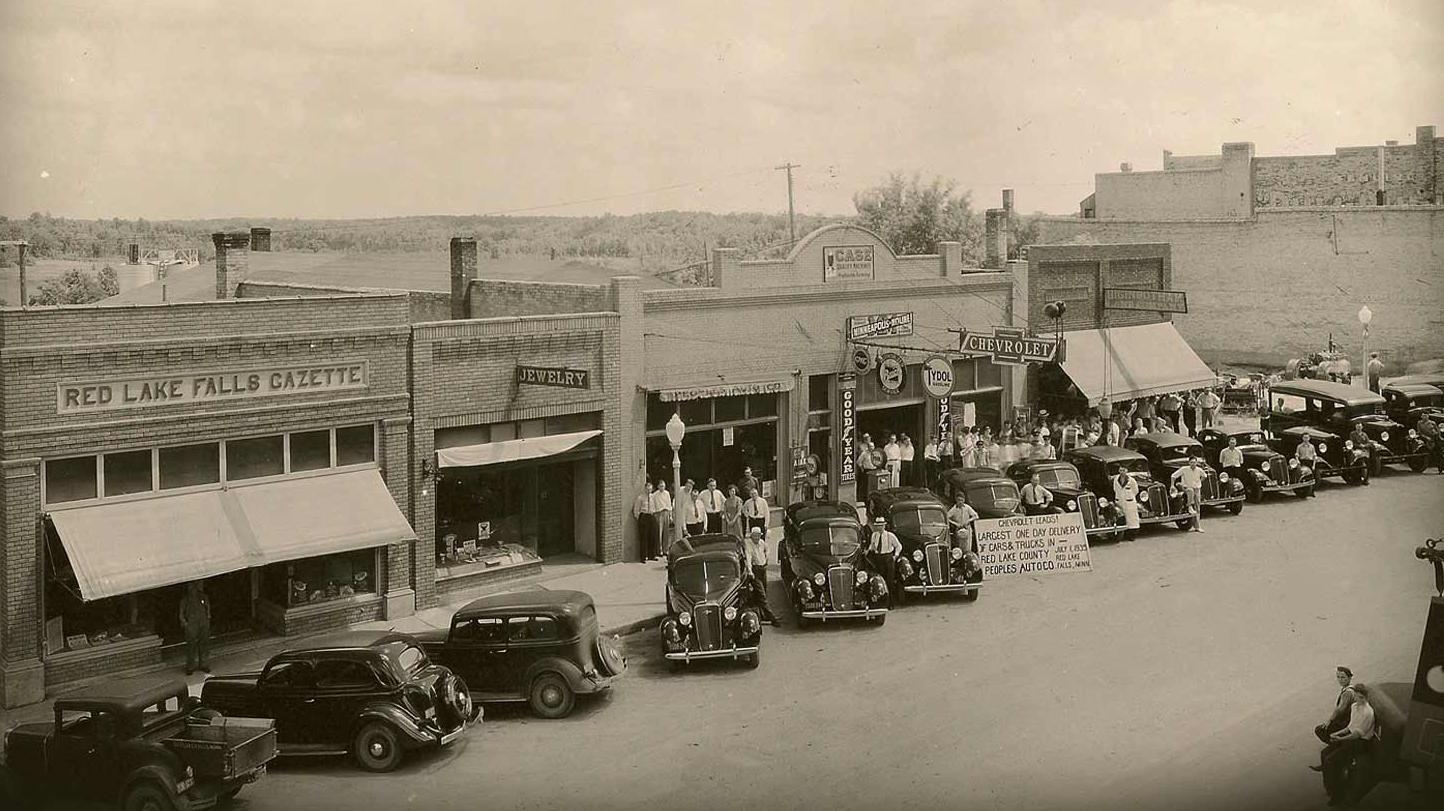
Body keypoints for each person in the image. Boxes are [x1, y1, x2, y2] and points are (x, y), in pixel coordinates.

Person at [1319, 684, 1380, 804]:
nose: (1359, 700)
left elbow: (1357, 734)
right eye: (1356, 697)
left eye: (1361, 698)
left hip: (1361, 742)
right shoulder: (1354, 706)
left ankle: (1337, 795)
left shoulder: (1368, 713)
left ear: (1366, 697)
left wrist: (1340, 739)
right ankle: (1329, 786)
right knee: (1324, 753)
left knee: (1331, 760)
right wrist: (1337, 734)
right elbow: (1350, 727)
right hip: (1351, 738)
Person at [1312, 666, 1357, 749]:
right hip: (1346, 719)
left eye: (1343, 677)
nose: (1340, 680)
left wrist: (1329, 721)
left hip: (1345, 722)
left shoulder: (1347, 693)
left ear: (1349, 678)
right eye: (1338, 677)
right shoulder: (1350, 688)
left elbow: (1340, 710)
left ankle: (1336, 745)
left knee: (1319, 730)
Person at [743, 527, 779, 626]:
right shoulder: (749, 545)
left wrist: (767, 556)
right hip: (755, 571)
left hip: (763, 569)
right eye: (755, 536)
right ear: (751, 536)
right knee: (762, 595)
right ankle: (772, 618)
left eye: (758, 535)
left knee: (763, 593)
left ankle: (762, 615)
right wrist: (750, 571)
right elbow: (748, 558)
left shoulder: (762, 543)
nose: (757, 538)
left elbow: (767, 549)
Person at [866, 516, 901, 604]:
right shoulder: (874, 535)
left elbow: (898, 546)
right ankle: (881, 601)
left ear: (884, 526)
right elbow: (872, 545)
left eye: (881, 525)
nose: (880, 527)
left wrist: (895, 555)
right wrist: (868, 550)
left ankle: (890, 602)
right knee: (880, 580)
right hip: (878, 558)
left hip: (888, 558)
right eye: (878, 526)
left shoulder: (890, 535)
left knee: (889, 581)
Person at [180, 581, 212, 675]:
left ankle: (204, 664)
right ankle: (190, 666)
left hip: (203, 622)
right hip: (191, 623)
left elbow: (207, 607)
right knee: (191, 645)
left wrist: (208, 618)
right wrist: (185, 623)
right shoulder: (185, 600)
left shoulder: (203, 597)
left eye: (194, 586)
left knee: (204, 643)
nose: (192, 588)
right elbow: (181, 613)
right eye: (190, 586)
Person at [1171, 455, 1206, 532]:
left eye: (1194, 462)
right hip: (1186, 488)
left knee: (1197, 508)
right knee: (1190, 490)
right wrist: (1172, 485)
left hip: (1196, 489)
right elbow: (1173, 476)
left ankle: (1197, 527)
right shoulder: (1184, 469)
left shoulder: (1199, 470)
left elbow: (1204, 476)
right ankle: (1189, 505)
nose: (1193, 464)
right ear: (1189, 463)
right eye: (1191, 462)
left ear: (1196, 463)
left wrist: (1199, 482)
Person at [1112, 467, 1140, 541]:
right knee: (1121, 518)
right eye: (1120, 470)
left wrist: (1129, 496)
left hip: (1129, 502)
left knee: (1132, 519)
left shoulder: (1132, 480)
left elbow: (1136, 490)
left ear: (1126, 471)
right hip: (1120, 501)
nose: (1122, 472)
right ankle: (1122, 534)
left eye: (1123, 470)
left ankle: (1132, 535)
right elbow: (1115, 489)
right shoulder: (1116, 479)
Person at [632, 482, 657, 560]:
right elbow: (636, 510)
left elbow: (655, 506)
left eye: (650, 489)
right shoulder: (640, 498)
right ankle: (643, 556)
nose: (649, 491)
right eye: (647, 489)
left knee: (652, 536)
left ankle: (651, 555)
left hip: (651, 516)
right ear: (645, 489)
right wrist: (640, 518)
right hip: (644, 517)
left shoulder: (653, 497)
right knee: (644, 537)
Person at [651, 479, 673, 557]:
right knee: (659, 533)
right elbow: (653, 505)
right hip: (658, 513)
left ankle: (665, 549)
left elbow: (669, 504)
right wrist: (654, 513)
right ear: (658, 486)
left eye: (663, 486)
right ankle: (659, 550)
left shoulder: (667, 493)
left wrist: (670, 515)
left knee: (666, 532)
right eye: (660, 486)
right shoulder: (654, 495)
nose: (662, 488)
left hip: (666, 512)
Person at [857, 433, 879, 500]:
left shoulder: (876, 453)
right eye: (870, 446)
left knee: (873, 485)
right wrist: (862, 468)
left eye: (873, 446)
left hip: (874, 471)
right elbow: (858, 462)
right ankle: (864, 498)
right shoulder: (864, 453)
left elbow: (878, 461)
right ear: (868, 447)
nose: (872, 448)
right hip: (867, 471)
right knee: (865, 485)